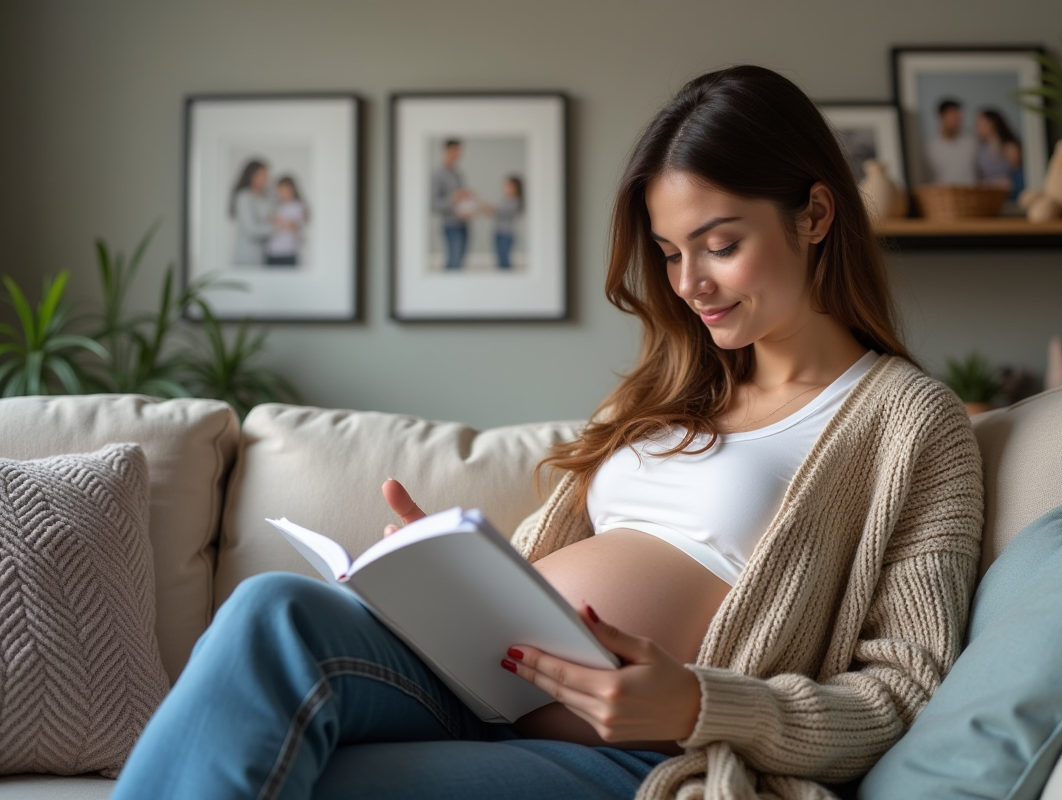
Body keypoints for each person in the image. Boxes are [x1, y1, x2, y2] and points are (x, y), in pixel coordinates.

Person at [112, 65, 983, 800]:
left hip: (636, 755)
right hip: (474, 680)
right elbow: (545, 562)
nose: (689, 284)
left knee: (320, 776)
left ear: (815, 216)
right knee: (271, 607)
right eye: (670, 253)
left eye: (719, 245)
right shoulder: (662, 390)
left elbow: (904, 690)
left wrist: (697, 706)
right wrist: (443, 576)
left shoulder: (911, 423)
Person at [431, 139, 473, 270]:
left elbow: (459, 201)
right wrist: (454, 198)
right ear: (446, 151)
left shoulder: (458, 174)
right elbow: (435, 205)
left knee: (459, 264)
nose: (458, 154)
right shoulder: (437, 174)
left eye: (459, 151)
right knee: (453, 264)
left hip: (463, 224)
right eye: (455, 150)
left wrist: (467, 203)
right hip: (450, 226)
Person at [229, 159, 275, 265]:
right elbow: (251, 229)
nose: (266, 179)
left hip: (264, 256)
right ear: (252, 176)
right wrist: (278, 228)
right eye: (263, 175)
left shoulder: (266, 197)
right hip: (247, 256)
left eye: (266, 175)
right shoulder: (243, 197)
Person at [924, 98, 977, 185]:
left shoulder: (972, 142)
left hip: (970, 192)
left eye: (958, 117)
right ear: (940, 117)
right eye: (951, 116)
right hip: (942, 192)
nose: (955, 121)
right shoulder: (928, 147)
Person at [975, 108, 1024, 200]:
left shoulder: (1010, 147)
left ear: (992, 124)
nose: (977, 127)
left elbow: (1020, 176)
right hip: (989, 195)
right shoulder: (980, 148)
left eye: (980, 123)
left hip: (1010, 195)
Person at [265, 176, 309, 267]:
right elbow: (270, 221)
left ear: (293, 190)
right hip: (272, 251)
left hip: (288, 252)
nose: (283, 194)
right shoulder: (278, 206)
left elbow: (295, 226)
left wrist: (278, 221)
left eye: (285, 190)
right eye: (280, 191)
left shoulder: (298, 206)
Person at [484, 175, 523, 269]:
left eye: (509, 185)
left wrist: (480, 206)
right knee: (500, 261)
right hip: (499, 233)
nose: (506, 187)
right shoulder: (505, 200)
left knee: (504, 261)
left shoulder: (515, 201)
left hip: (506, 234)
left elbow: (496, 211)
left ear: (516, 188)